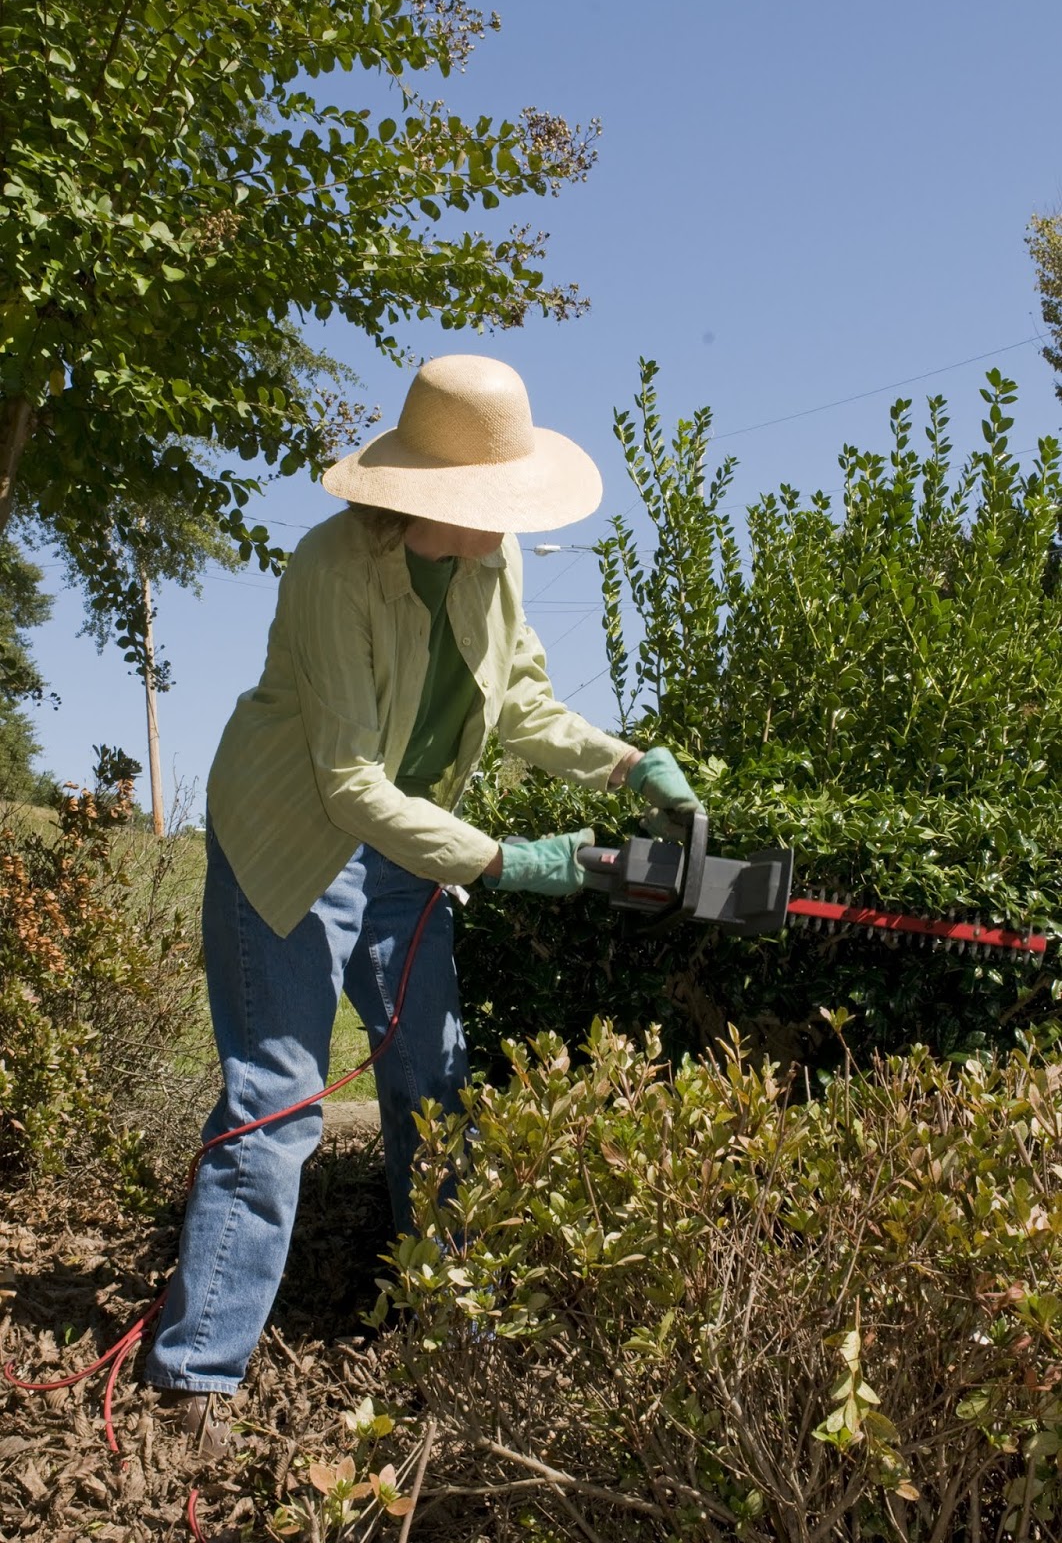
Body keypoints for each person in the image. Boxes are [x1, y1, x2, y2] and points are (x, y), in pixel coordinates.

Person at [143, 354, 704, 1450]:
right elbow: (352, 782)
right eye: (488, 502)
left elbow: (526, 701)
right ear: (426, 495)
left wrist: (631, 765)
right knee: (279, 1100)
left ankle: (449, 1328)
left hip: (412, 852)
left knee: (434, 1085)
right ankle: (195, 1377)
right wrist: (506, 861)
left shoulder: (491, 569)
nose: (504, 524)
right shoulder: (331, 571)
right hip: (292, 846)